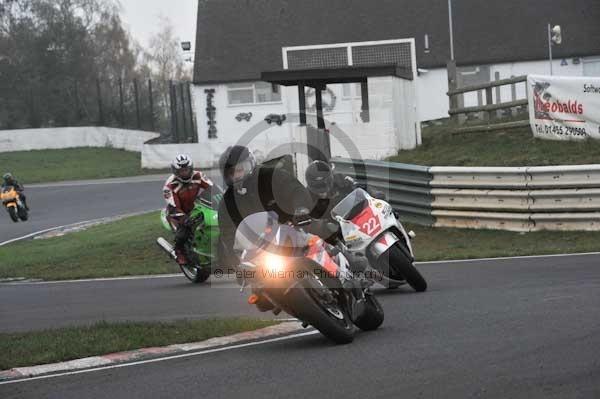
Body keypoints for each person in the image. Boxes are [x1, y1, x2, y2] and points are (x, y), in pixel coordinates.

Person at [217, 146, 368, 318]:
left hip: (292, 223)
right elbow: (228, 235)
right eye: (232, 173)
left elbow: (296, 190)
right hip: (262, 248)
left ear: (249, 164)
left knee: (321, 229)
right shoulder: (227, 203)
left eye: (239, 169)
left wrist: (301, 209)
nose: (236, 175)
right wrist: (237, 263)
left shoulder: (270, 177)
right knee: (261, 298)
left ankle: (347, 257)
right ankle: (299, 307)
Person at [305, 160, 386, 241]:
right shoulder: (305, 197)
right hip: (335, 234)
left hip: (357, 221)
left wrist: (374, 194)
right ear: (310, 184)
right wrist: (322, 226)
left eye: (324, 185)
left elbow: (360, 187)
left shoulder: (340, 179)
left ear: (330, 178)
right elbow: (304, 221)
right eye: (317, 186)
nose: (322, 192)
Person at [163, 154, 213, 266]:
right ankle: (178, 251)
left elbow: (212, 188)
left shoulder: (199, 175)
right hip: (177, 213)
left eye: (187, 170)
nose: (185, 173)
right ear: (176, 171)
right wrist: (184, 219)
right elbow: (173, 207)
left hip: (194, 208)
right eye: (182, 171)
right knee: (184, 231)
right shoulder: (169, 186)